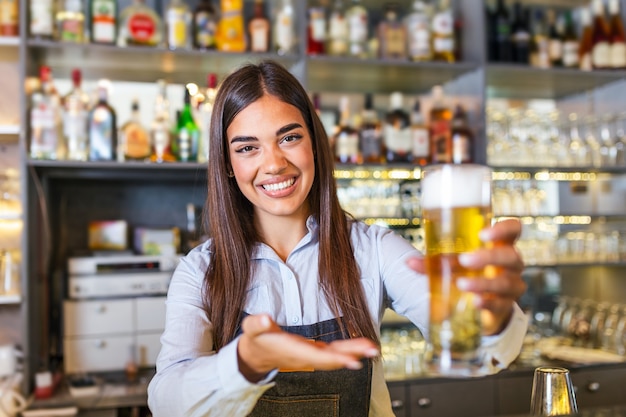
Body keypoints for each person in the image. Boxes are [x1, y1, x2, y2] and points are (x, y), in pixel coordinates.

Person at [147, 60, 528, 417]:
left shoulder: (373, 249)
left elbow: (476, 343)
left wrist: (489, 320)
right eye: (248, 148)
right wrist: (245, 362)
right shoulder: (200, 269)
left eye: (289, 137)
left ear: (315, 144)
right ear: (228, 166)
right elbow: (166, 402)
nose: (274, 163)